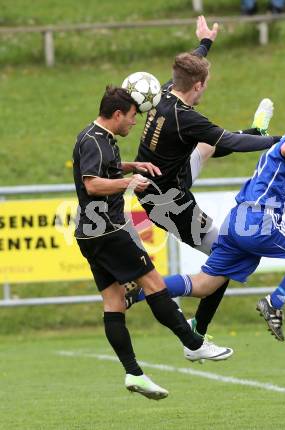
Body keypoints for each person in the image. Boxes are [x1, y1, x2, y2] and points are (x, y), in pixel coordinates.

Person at [125, 16, 280, 341]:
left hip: (164, 179)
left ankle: (258, 131)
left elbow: (191, 68)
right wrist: (282, 142)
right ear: (197, 86)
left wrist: (205, 43)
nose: (204, 89)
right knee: (229, 255)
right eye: (204, 85)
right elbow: (231, 143)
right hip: (169, 203)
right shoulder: (186, 118)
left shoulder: (166, 92)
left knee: (207, 145)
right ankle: (194, 326)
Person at [72, 86, 233, 400]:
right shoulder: (95, 141)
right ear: (117, 114)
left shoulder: (97, 137)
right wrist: (129, 181)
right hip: (108, 230)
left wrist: (132, 167)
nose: (134, 123)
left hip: (89, 234)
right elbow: (92, 184)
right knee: (153, 282)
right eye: (132, 117)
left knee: (114, 301)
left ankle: (134, 374)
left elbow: (101, 170)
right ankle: (194, 343)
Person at [148, 107, 285, 341]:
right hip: (260, 221)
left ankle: (138, 289)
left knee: (203, 286)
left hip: (238, 220)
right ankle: (274, 302)